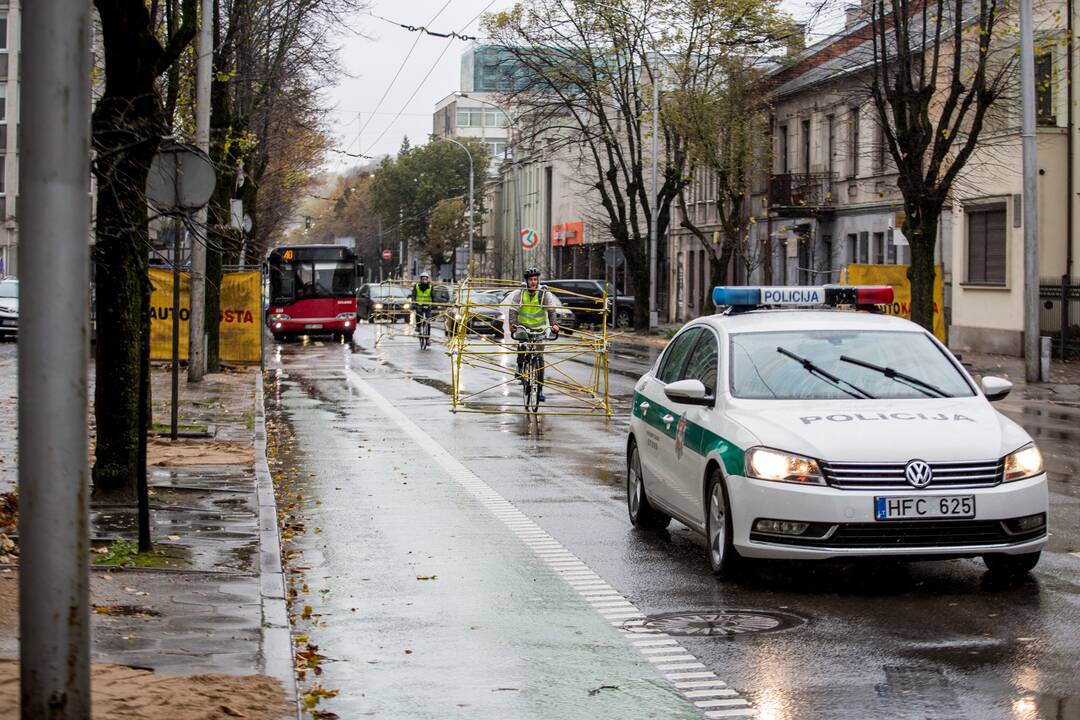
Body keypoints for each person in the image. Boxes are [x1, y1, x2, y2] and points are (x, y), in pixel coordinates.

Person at [507, 267, 560, 401]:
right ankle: (520, 366)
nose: (533, 282)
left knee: (540, 358)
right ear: (527, 281)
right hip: (523, 327)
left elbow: (551, 310)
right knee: (522, 344)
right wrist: (512, 324)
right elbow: (513, 309)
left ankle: (540, 390)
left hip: (540, 329)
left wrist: (554, 324)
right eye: (531, 279)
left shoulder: (544, 293)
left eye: (535, 279)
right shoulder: (520, 293)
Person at [410, 271, 434, 337]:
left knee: (428, 322)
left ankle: (428, 338)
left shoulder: (431, 287)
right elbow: (413, 295)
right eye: (423, 279)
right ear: (420, 280)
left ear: (427, 279)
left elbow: (433, 296)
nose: (424, 281)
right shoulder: (417, 286)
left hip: (427, 305)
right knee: (418, 312)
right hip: (419, 305)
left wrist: (434, 304)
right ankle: (418, 326)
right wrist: (413, 303)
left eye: (425, 279)